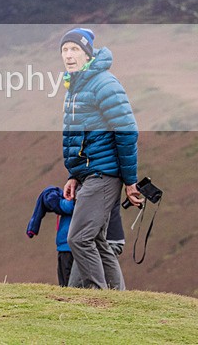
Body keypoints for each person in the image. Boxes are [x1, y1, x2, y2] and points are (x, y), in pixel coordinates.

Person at [59, 27, 143, 289]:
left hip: (103, 175)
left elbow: (127, 131)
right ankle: (116, 298)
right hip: (89, 174)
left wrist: (130, 180)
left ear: (88, 54)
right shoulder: (75, 86)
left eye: (75, 49)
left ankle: (98, 295)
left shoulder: (104, 84)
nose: (69, 55)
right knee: (95, 239)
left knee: (79, 238)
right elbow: (78, 137)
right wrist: (74, 175)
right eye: (65, 50)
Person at [27, 185, 125, 287]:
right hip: (80, 242)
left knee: (74, 285)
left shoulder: (93, 184)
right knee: (94, 281)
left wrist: (57, 202)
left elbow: (74, 205)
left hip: (78, 244)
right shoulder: (104, 182)